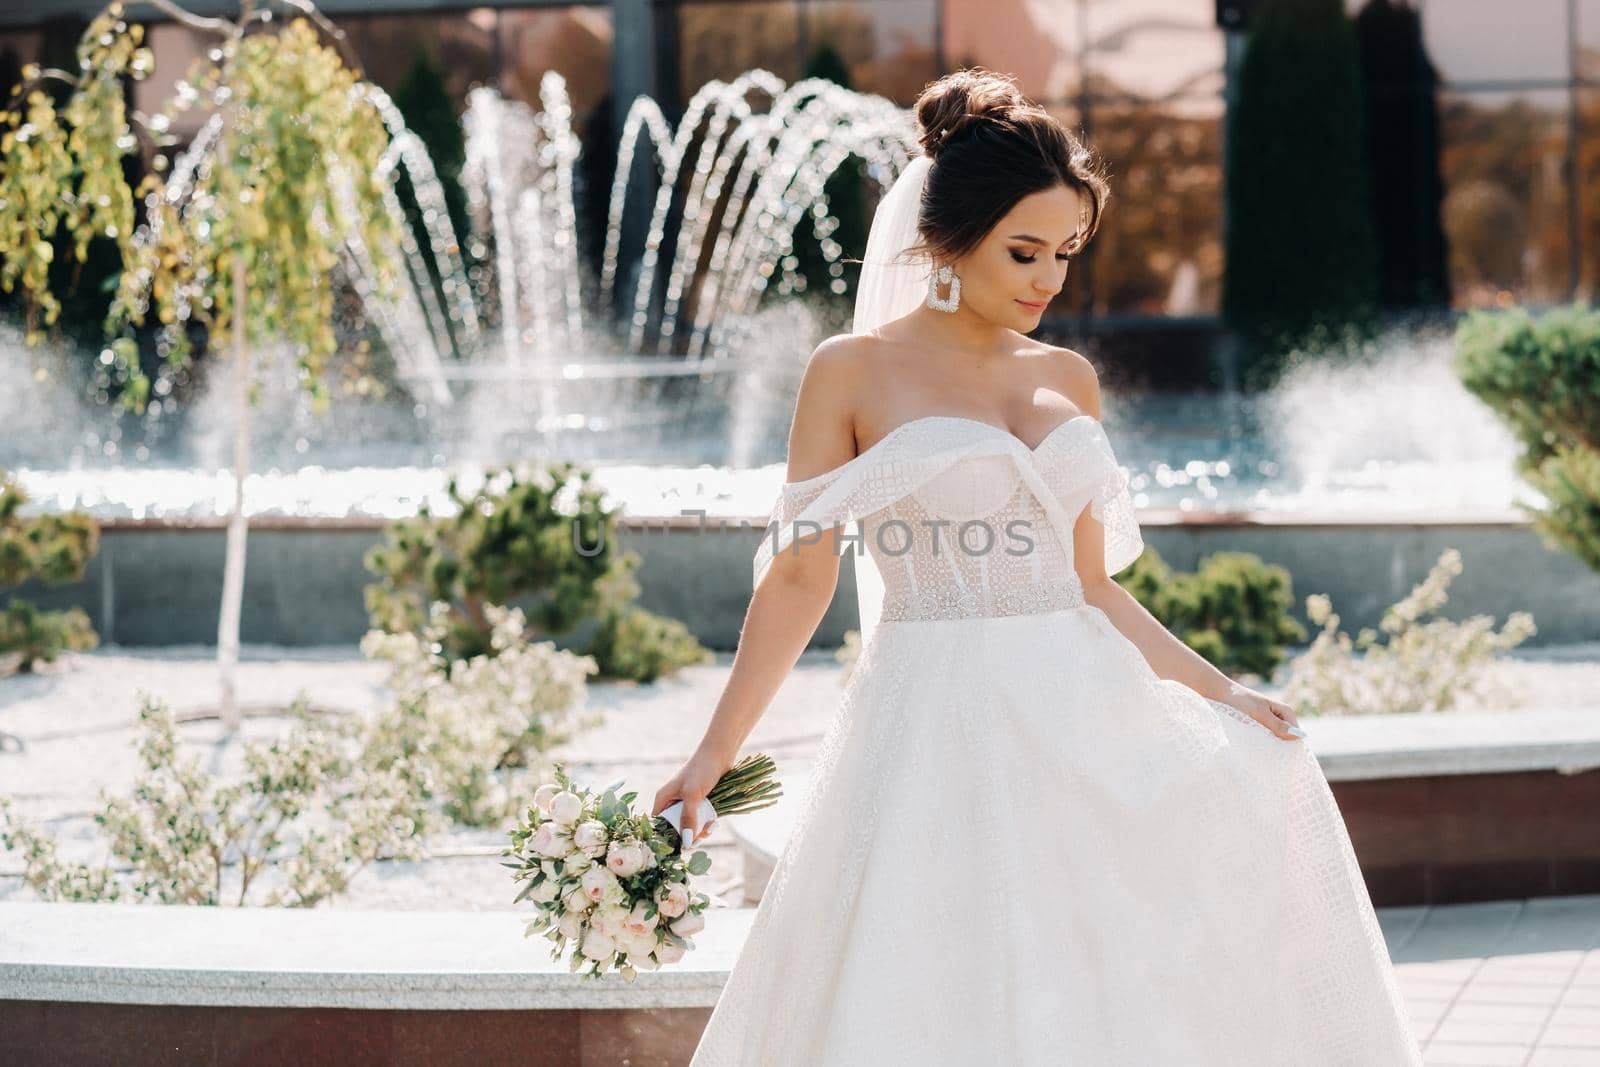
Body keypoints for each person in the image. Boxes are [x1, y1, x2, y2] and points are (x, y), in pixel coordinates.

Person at [652, 67, 1424, 1065]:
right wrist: (712, 755)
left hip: (1089, 716)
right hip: (939, 722)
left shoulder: (1067, 377)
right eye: (1024, 250)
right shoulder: (851, 370)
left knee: (1126, 977)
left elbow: (1093, 587)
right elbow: (798, 579)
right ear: (945, 236)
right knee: (943, 982)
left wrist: (1222, 689)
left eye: (1064, 252)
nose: (1048, 280)